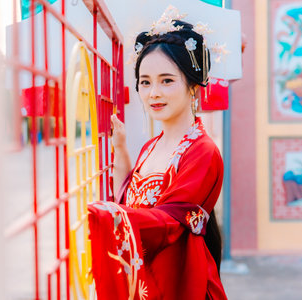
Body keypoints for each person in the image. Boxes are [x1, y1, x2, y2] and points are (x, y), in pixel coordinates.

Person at [88, 6, 227, 300]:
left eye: (166, 80)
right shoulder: (152, 146)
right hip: (146, 278)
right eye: (145, 82)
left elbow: (169, 223)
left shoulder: (203, 151)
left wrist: (107, 217)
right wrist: (121, 149)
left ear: (193, 85)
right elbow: (128, 199)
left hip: (179, 280)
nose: (153, 93)